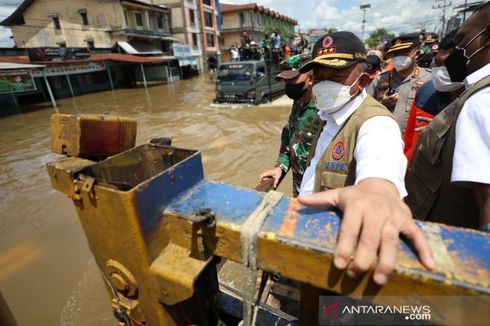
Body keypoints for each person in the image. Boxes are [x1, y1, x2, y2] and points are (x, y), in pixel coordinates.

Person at [296, 31, 434, 285]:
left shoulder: (376, 122)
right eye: (319, 77)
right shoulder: (328, 114)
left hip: (343, 256)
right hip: (313, 241)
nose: (324, 85)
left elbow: (379, 170)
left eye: (336, 76)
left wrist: (378, 192)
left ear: (362, 80)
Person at [405, 2, 490, 231]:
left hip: (450, 245)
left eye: (462, 41)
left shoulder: (482, 100)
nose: (457, 51)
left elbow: (486, 201)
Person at [259, 54, 319, 197]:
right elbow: (290, 144)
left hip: (320, 197)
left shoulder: (325, 110)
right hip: (299, 194)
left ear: (310, 78)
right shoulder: (298, 102)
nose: (288, 86)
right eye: (285, 81)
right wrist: (280, 167)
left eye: (292, 79)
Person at [404, 29, 464, 162]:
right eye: (437, 63)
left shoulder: (479, 99)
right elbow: (409, 143)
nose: (442, 70)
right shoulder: (426, 92)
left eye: (448, 64)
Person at [370, 33, 431, 131]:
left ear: (417, 53)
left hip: (412, 142)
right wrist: (382, 104)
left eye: (404, 52)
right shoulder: (380, 79)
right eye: (395, 53)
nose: (398, 56)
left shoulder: (428, 79)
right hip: (382, 136)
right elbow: (366, 109)